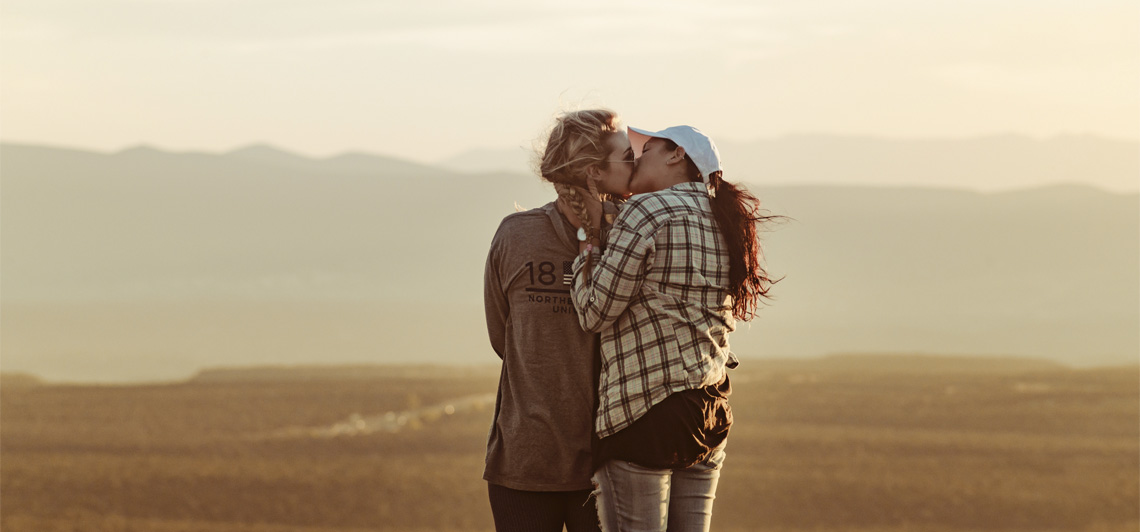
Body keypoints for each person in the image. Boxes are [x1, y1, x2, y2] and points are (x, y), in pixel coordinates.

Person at [569, 125, 777, 532]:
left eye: (646, 149)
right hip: (710, 409)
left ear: (676, 155)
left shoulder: (648, 211)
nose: (636, 157)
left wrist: (586, 251)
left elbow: (595, 312)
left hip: (646, 410)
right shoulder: (722, 217)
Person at [482, 109, 635, 532]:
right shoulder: (517, 235)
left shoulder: (635, 237)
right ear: (593, 173)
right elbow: (503, 339)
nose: (638, 162)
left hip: (611, 466)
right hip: (525, 463)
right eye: (627, 156)